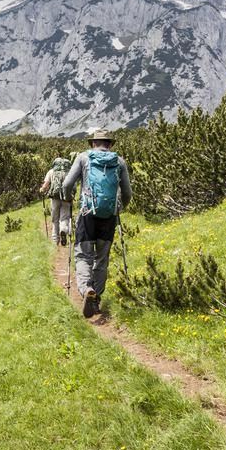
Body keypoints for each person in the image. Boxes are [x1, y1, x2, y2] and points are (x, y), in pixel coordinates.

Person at [63, 128, 132, 318]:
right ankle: (97, 298)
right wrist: (119, 208)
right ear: (110, 144)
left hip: (87, 214)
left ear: (94, 143)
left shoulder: (83, 158)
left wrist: (69, 198)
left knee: (83, 255)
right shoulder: (119, 161)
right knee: (101, 259)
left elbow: (67, 183)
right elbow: (127, 193)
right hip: (109, 216)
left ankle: (86, 290)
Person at [38, 156, 73, 245]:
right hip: (66, 198)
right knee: (64, 218)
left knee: (55, 219)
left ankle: (55, 240)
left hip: (54, 198)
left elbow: (46, 185)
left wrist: (42, 189)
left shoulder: (51, 171)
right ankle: (64, 230)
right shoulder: (69, 172)